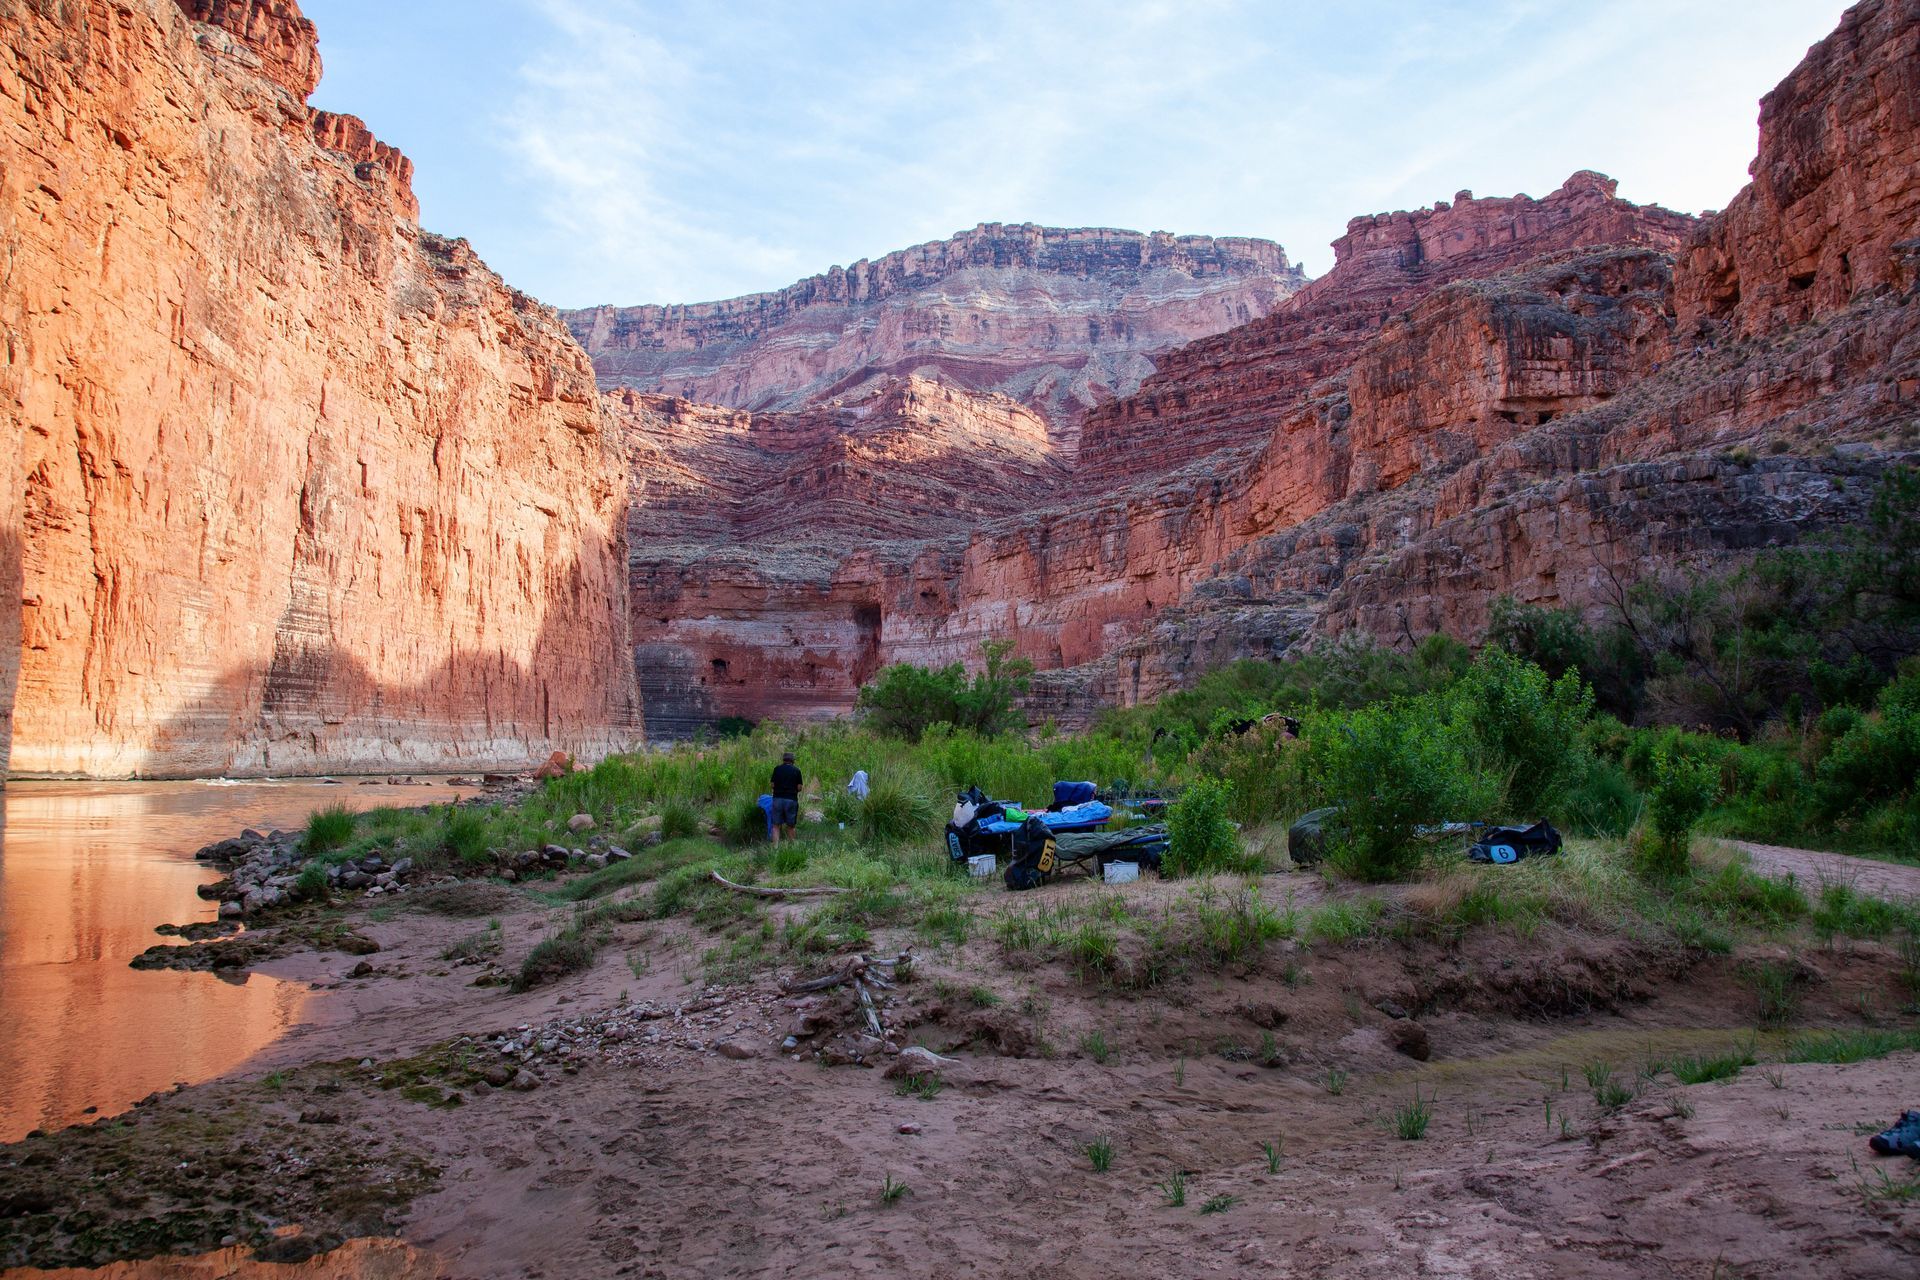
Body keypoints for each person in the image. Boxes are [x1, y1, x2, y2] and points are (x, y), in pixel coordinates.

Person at [770, 751, 802, 843]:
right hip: (791, 800)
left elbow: (772, 785)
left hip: (777, 799)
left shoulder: (777, 769)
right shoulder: (796, 770)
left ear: (783, 760)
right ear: (793, 761)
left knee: (776, 825)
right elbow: (799, 787)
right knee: (791, 825)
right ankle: (791, 846)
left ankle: (775, 848)